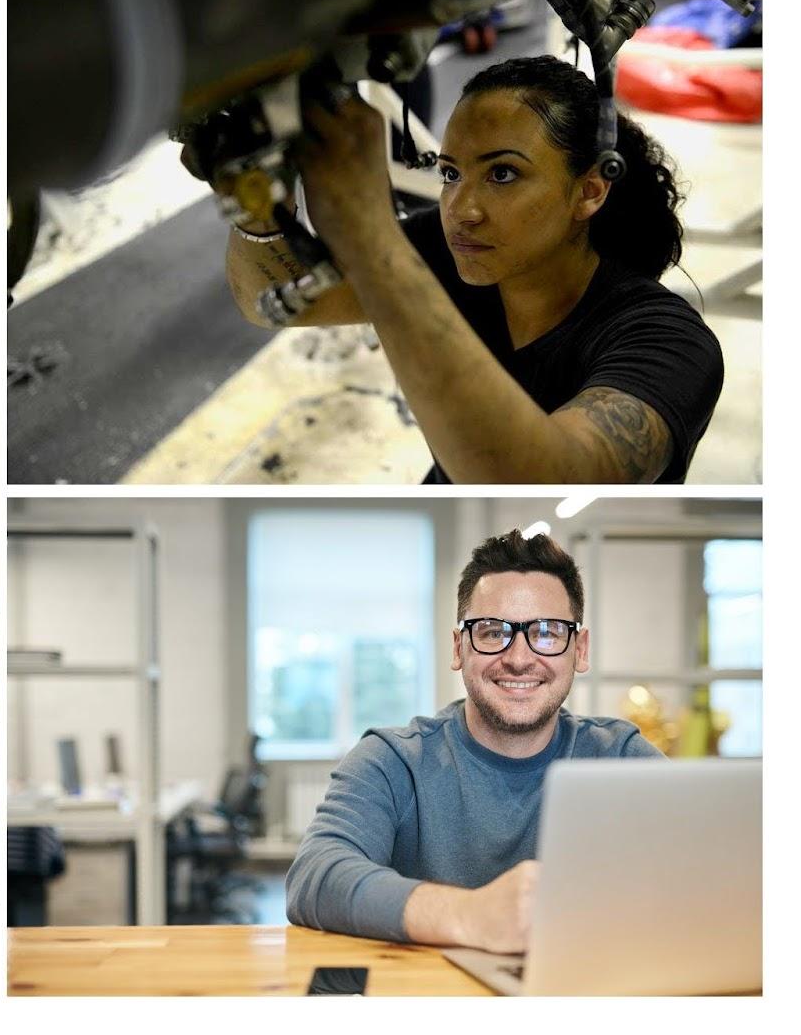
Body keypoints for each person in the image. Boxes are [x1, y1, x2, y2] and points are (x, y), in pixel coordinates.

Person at [224, 54, 724, 483]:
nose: (462, 209)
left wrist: (366, 229)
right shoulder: (450, 252)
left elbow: (540, 482)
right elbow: (273, 300)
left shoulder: (669, 344)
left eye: (502, 174)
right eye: (451, 174)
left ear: (590, 190)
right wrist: (258, 194)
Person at [286, 529, 658, 950]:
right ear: (459, 647)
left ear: (581, 649)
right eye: (492, 632)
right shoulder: (394, 761)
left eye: (549, 632)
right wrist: (470, 915)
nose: (519, 659)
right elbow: (315, 877)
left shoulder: (622, 760)